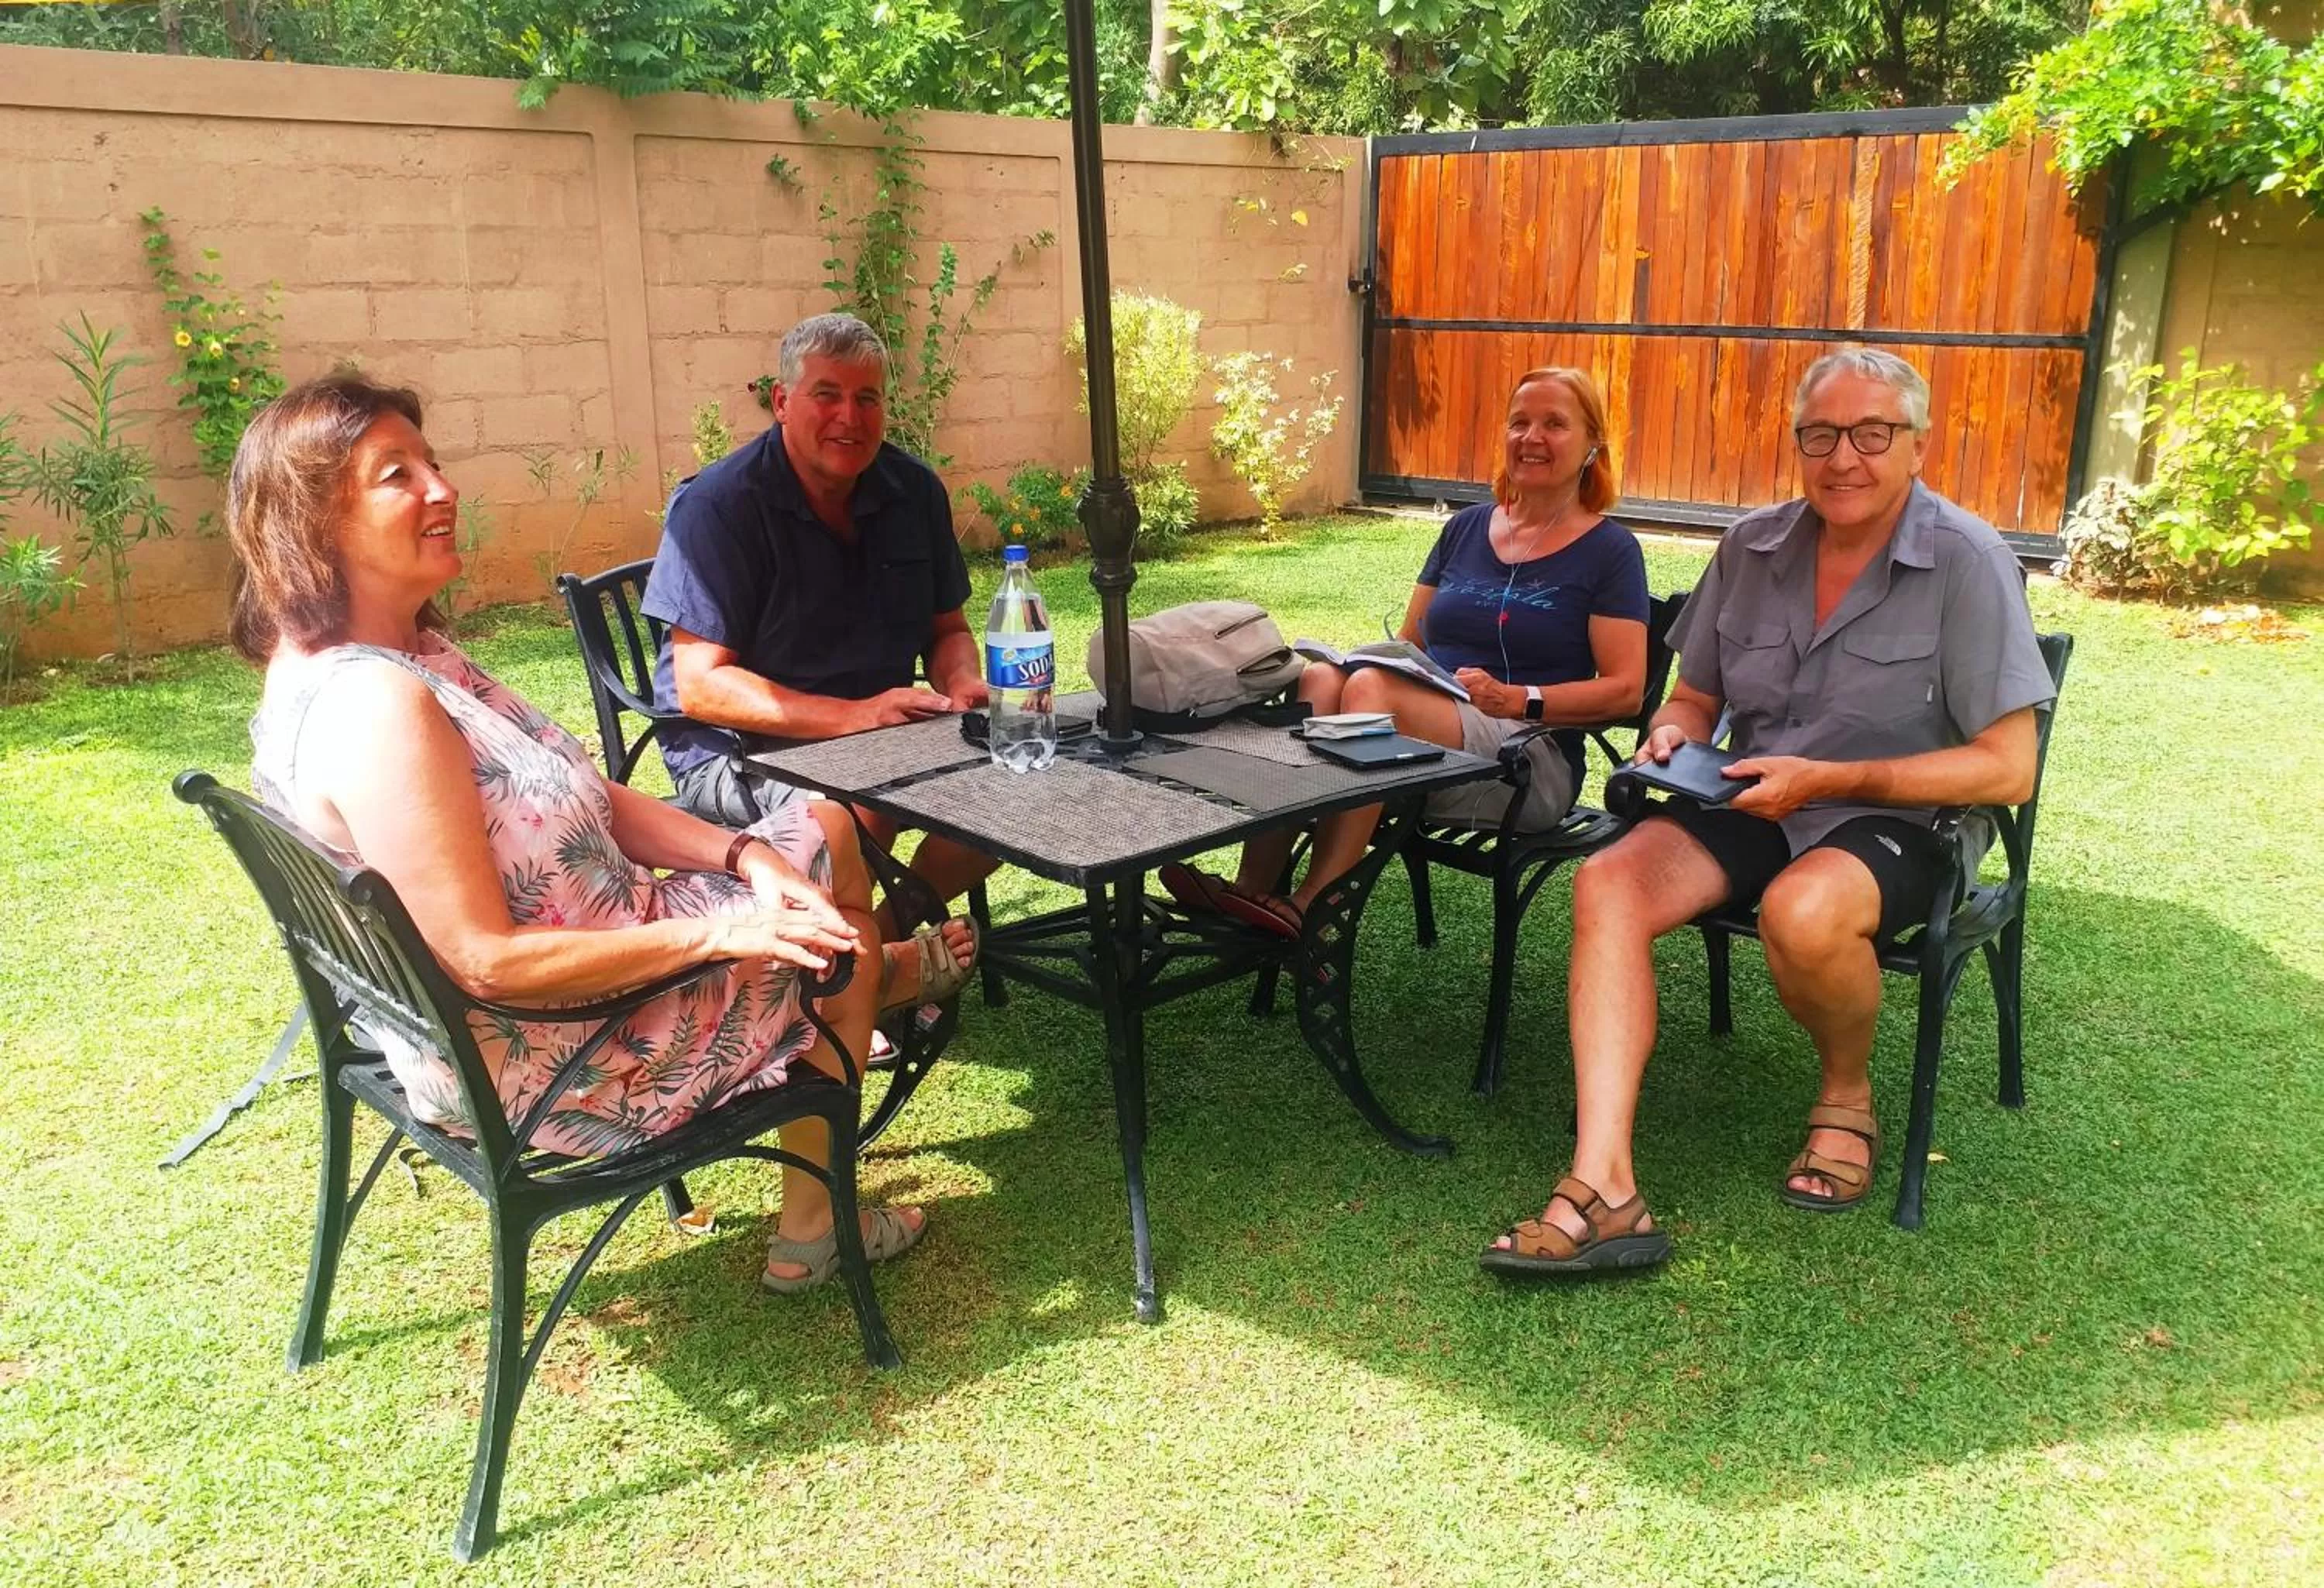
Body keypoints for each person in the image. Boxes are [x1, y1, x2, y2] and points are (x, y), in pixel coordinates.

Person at [229, 372, 955, 1292]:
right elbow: (485, 961)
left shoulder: (393, 656)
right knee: (838, 936)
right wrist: (725, 929)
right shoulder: (379, 707)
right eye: (395, 476)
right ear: (311, 519)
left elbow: (583, 795)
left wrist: (744, 854)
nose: (442, 489)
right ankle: (822, 1189)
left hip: (581, 976)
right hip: (567, 1055)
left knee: (817, 835)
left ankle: (879, 981)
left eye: (433, 463)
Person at [1482, 348, 2058, 1277]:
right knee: (1608, 881)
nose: (1845, 458)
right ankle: (1607, 1181)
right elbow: (1693, 696)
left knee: (1805, 909)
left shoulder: (1968, 560)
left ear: (1918, 444)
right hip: (1756, 791)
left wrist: (1833, 778)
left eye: (1874, 434)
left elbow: (2008, 766)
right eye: (1822, 435)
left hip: (1903, 815)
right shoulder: (1752, 546)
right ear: (1798, 443)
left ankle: (1845, 1093)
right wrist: (1670, 733)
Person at [1160, 366, 1648, 937]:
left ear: (1593, 443)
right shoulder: (1466, 528)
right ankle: (1252, 888)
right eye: (1519, 422)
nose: (1530, 438)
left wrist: (1519, 700)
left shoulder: (1610, 552)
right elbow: (1413, 643)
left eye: (1554, 424)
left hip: (1526, 758)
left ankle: (1314, 907)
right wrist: (1358, 662)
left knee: (1370, 691)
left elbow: (1626, 691)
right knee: (1321, 683)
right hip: (1434, 726)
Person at [642, 311, 995, 970]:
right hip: (736, 750)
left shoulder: (913, 492)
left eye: (868, 399)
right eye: (827, 394)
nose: (849, 419)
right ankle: (872, 968)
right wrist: (855, 718)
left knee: (1012, 782)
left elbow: (947, 630)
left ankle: (874, 949)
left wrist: (962, 682)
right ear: (782, 402)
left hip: (881, 734)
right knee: (861, 809)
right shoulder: (721, 506)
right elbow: (700, 685)